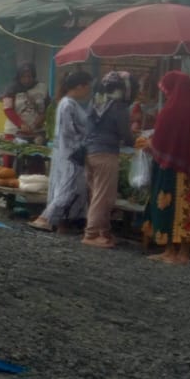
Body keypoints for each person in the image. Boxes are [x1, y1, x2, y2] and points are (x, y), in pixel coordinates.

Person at [140, 71, 190, 266]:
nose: (165, 93)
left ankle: (169, 251)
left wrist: (150, 145)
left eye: (166, 89)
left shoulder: (170, 110)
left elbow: (161, 141)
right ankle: (184, 253)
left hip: (170, 169)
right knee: (188, 210)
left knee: (168, 206)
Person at [30, 70, 92, 233]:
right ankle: (45, 217)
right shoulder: (68, 104)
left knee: (68, 187)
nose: (88, 91)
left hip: (67, 152)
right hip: (71, 153)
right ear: (80, 86)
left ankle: (62, 222)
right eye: (87, 87)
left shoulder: (69, 103)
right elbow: (70, 131)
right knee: (68, 187)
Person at [81, 70, 133, 248]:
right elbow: (125, 133)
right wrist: (133, 140)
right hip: (106, 153)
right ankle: (91, 233)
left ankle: (104, 232)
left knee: (98, 194)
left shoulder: (95, 102)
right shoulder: (118, 107)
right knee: (103, 196)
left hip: (90, 152)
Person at [0, 61, 50, 144]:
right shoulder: (11, 89)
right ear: (18, 77)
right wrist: (21, 124)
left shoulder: (42, 87)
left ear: (34, 76)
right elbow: (8, 110)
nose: (27, 80)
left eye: (29, 76)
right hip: (14, 132)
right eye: (23, 77)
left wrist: (42, 117)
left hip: (37, 132)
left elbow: (48, 107)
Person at [131, 68, 161, 137]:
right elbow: (135, 118)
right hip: (141, 132)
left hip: (153, 133)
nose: (142, 93)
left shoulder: (159, 105)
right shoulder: (138, 105)